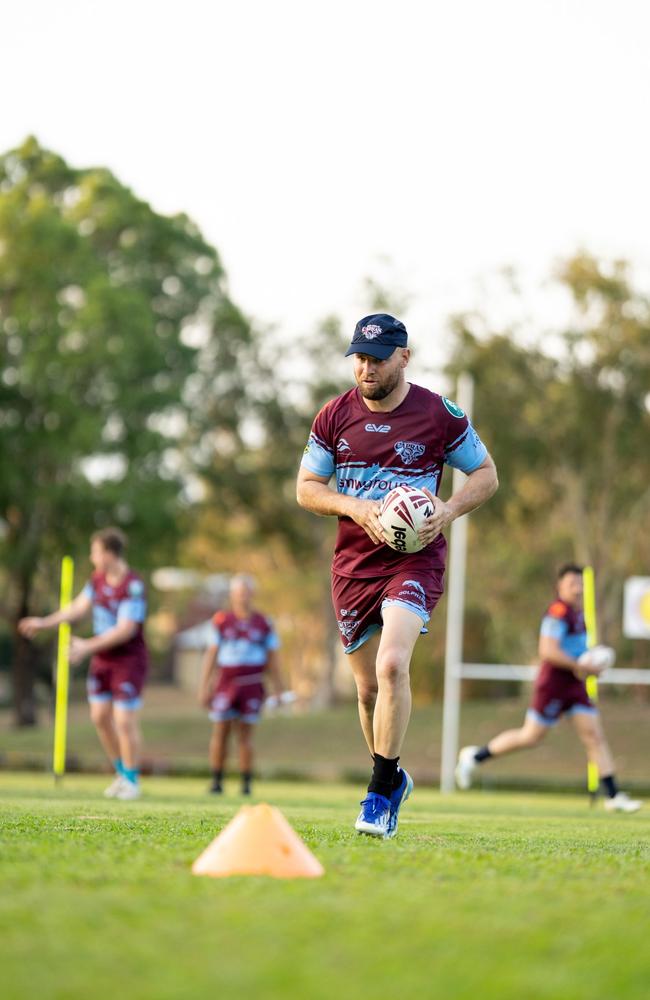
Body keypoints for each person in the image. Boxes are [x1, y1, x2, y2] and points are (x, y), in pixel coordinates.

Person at [296, 313, 498, 838]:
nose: (365, 368)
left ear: (404, 357)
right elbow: (306, 489)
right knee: (366, 691)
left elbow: (486, 474)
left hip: (416, 558)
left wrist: (449, 512)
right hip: (354, 565)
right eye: (359, 358)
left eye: (377, 358)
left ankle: (378, 797)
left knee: (391, 666)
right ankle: (393, 777)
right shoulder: (332, 417)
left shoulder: (439, 415)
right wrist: (359, 510)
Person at [455, 563, 642, 812]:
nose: (577, 589)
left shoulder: (579, 615)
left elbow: (577, 654)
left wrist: (592, 661)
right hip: (553, 685)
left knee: (594, 736)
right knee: (530, 736)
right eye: (572, 584)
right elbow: (548, 650)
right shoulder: (557, 613)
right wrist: (582, 665)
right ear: (560, 587)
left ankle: (613, 796)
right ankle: (475, 757)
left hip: (574, 685)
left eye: (580, 584)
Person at [18, 527, 148, 800]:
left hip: (127, 660)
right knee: (100, 717)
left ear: (109, 554)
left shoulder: (132, 586)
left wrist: (87, 646)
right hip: (102, 660)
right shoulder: (97, 581)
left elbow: (126, 629)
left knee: (124, 719)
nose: (92, 557)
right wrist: (43, 622)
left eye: (95, 552)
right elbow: (76, 609)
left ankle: (132, 781)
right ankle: (120, 774)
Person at [198, 574, 286, 796]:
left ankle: (246, 783)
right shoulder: (221, 621)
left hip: (252, 683)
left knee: (245, 734)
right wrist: (204, 685)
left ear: (252, 594)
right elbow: (211, 654)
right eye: (237, 593)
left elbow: (273, 658)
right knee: (220, 730)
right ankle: (217, 780)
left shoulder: (264, 623)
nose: (241, 597)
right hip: (226, 682)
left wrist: (279, 688)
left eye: (245, 592)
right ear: (232, 595)